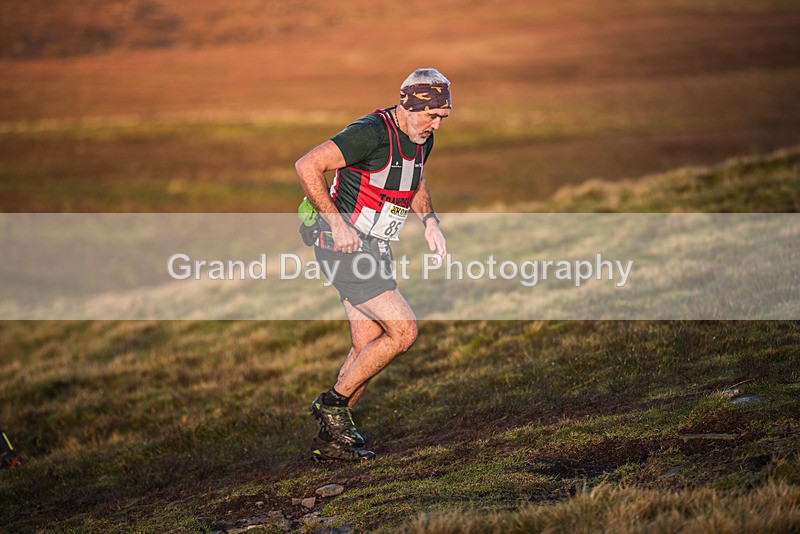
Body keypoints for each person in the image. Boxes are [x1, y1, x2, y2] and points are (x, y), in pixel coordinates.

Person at [295, 68, 451, 461]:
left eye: (442, 118)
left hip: (376, 248)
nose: (435, 125)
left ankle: (332, 443)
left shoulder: (420, 138)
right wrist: (335, 221)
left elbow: (413, 179)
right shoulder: (371, 132)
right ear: (409, 105)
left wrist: (429, 220)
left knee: (366, 346)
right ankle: (331, 405)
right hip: (342, 247)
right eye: (431, 115)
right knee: (404, 331)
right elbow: (307, 165)